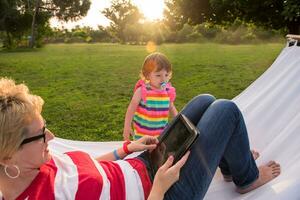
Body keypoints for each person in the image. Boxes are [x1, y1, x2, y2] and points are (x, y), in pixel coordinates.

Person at [0, 78, 281, 200]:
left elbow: (84, 167)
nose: (51, 136)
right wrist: (158, 188)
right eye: (40, 135)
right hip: (167, 192)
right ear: (7, 155)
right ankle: (246, 178)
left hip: (143, 162)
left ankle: (231, 165)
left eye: (45, 126)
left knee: (204, 101)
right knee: (225, 111)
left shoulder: (36, 163)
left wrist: (126, 149)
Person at [123, 52, 178, 141]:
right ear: (148, 75)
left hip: (161, 136)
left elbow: (172, 108)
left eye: (166, 75)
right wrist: (127, 126)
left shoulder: (168, 91)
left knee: (160, 153)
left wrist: (178, 123)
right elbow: (131, 109)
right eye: (158, 75)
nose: (163, 79)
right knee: (143, 154)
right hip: (142, 137)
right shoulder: (142, 91)